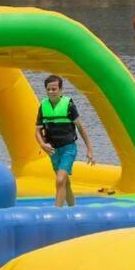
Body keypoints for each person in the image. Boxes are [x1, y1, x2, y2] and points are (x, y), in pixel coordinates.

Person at [35, 75, 94, 207]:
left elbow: (81, 128)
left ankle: (57, 212)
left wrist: (89, 149)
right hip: (53, 150)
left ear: (61, 90)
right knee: (64, 182)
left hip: (68, 148)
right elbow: (37, 132)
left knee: (60, 180)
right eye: (48, 89)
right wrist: (42, 144)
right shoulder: (43, 106)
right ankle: (73, 209)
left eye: (54, 89)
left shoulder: (69, 106)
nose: (51, 92)